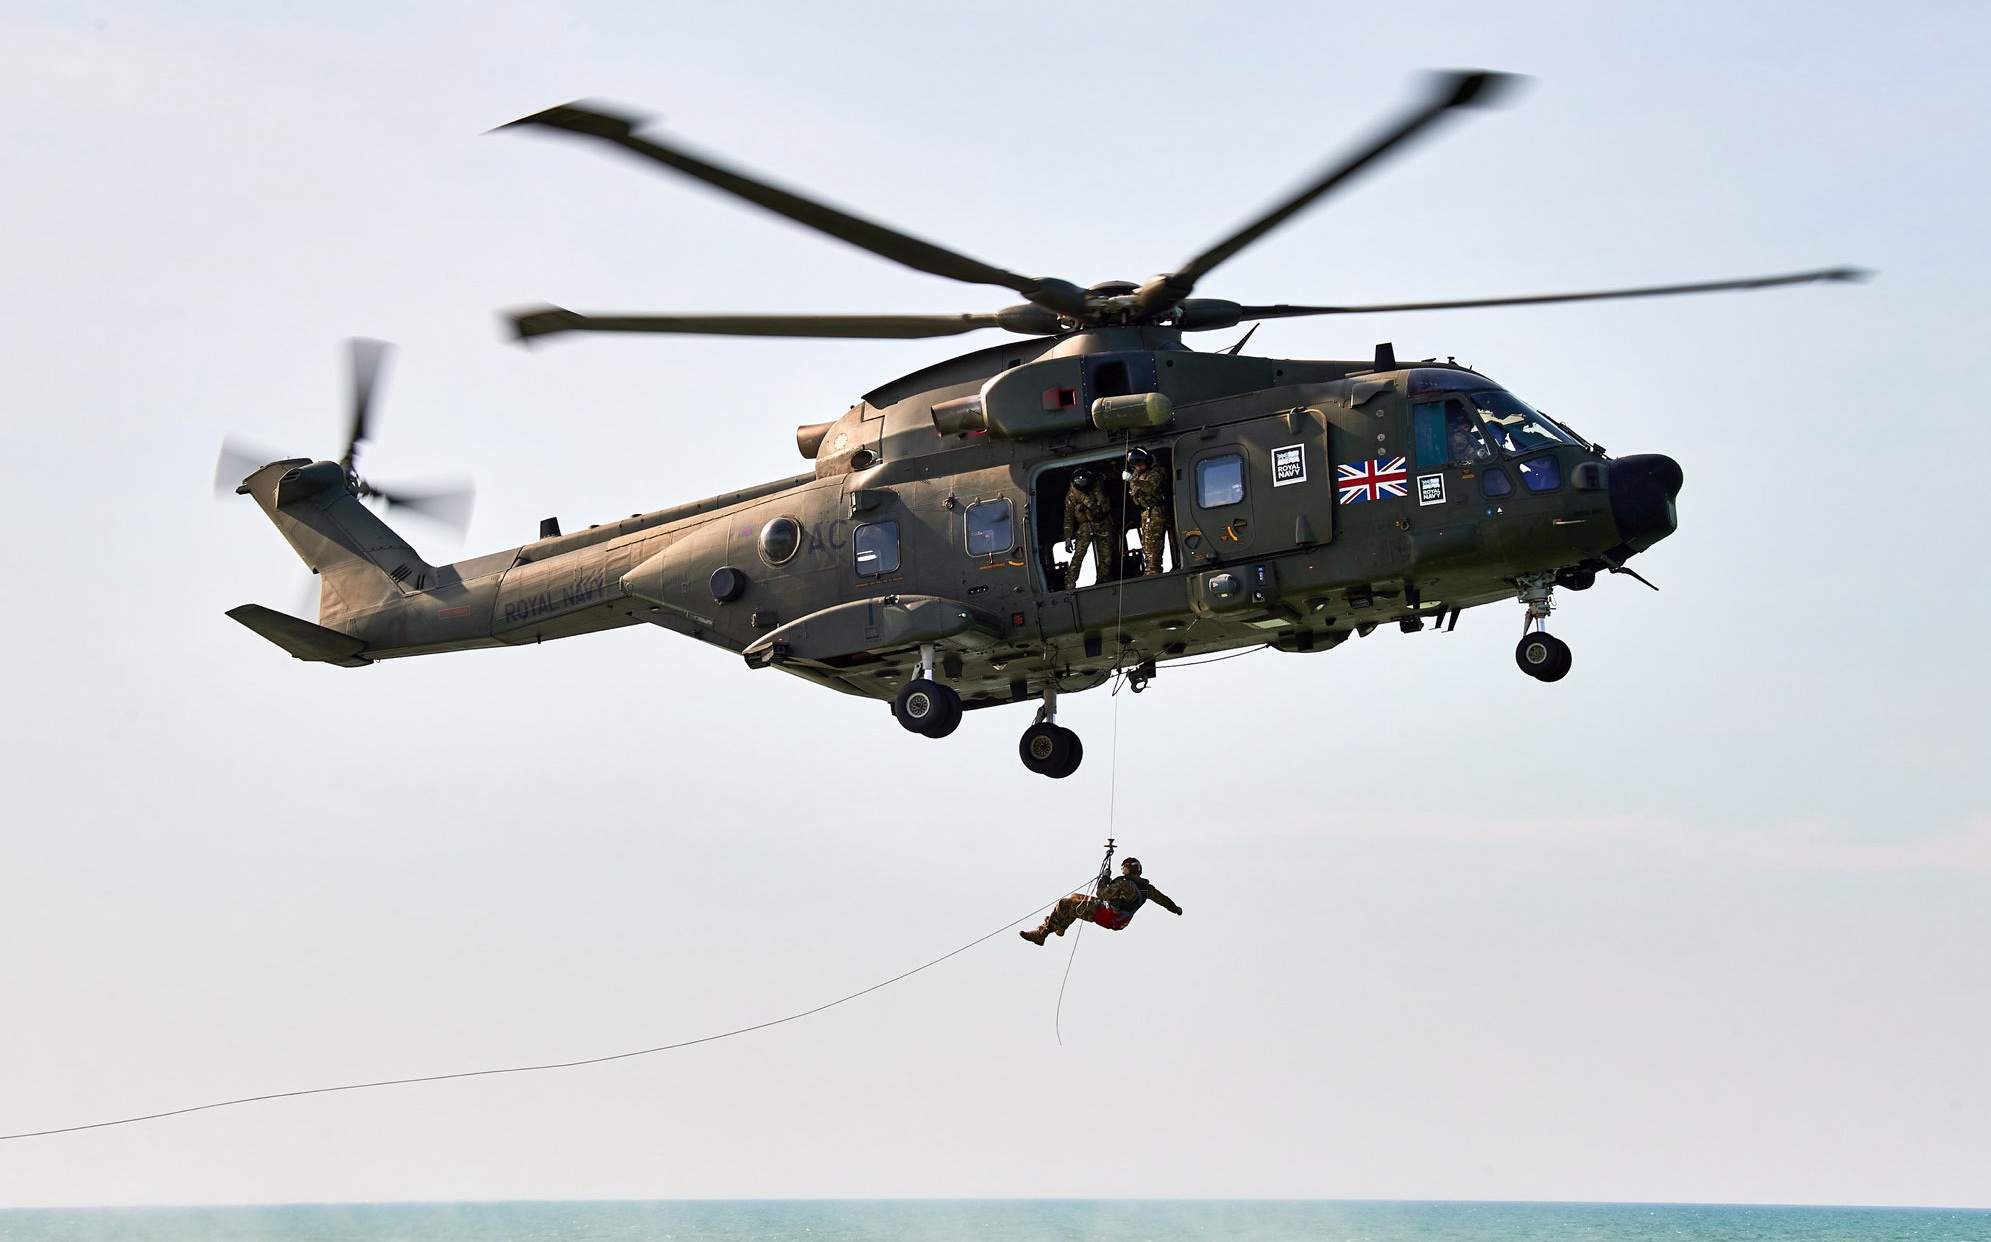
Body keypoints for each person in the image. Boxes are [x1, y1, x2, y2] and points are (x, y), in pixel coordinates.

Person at [1020, 857, 1182, 945]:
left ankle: (1042, 933)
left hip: (1108, 916)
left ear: (1128, 869)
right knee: (1075, 898)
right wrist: (1175, 909)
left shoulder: (1125, 884)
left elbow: (1102, 893)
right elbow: (1163, 900)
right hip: (1118, 918)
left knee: (1065, 904)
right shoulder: (1147, 888)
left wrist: (1105, 877)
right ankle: (1060, 926)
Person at [1062, 468, 1114, 589]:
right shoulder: (1072, 495)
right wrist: (1068, 538)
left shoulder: (1098, 485)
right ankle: (1070, 582)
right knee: (1079, 554)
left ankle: (1104, 581)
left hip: (1102, 522)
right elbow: (1068, 518)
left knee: (1106, 555)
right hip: (1085, 526)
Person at [1124, 447, 1171, 576]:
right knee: (1146, 543)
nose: (1138, 468)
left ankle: (1154, 570)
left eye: (1140, 465)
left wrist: (1132, 480)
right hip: (1145, 511)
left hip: (1156, 511)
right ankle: (1150, 569)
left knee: (1154, 542)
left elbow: (1150, 487)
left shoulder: (1156, 471)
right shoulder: (1138, 472)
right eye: (1136, 466)